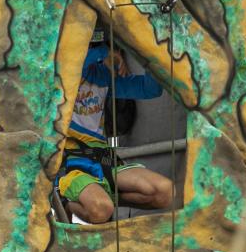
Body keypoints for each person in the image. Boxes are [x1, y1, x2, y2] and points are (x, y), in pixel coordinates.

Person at [57, 27, 174, 224]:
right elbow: (73, 64)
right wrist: (104, 53)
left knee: (165, 192)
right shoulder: (58, 74)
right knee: (101, 210)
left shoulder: (102, 75)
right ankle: (65, 202)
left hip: (105, 161)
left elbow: (150, 90)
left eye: (97, 44)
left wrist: (149, 53)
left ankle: (103, 195)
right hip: (73, 166)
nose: (93, 49)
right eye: (88, 45)